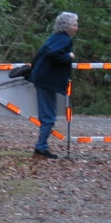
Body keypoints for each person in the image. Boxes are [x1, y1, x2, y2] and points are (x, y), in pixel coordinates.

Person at [29, 11, 79, 159]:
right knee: (49, 117)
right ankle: (40, 148)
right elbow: (53, 54)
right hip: (46, 81)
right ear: (66, 26)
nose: (77, 27)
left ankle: (41, 147)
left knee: (47, 116)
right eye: (75, 24)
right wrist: (68, 56)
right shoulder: (63, 40)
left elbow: (39, 54)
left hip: (42, 79)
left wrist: (33, 69)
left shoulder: (53, 38)